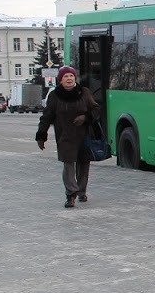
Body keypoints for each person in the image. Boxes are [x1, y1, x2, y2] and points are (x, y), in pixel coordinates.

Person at [35, 66, 101, 208]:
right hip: (65, 135)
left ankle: (82, 191)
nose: (69, 79)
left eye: (71, 76)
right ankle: (71, 194)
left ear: (74, 78)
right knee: (68, 164)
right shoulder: (55, 95)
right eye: (66, 76)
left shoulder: (84, 93)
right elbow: (46, 116)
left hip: (84, 134)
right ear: (60, 80)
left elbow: (96, 109)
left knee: (83, 164)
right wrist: (41, 135)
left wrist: (85, 117)